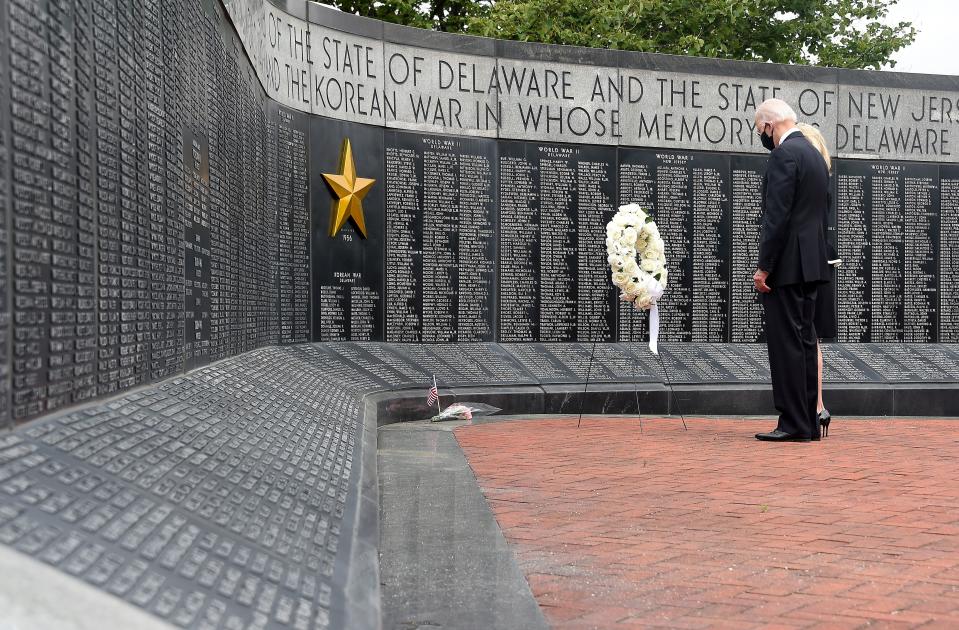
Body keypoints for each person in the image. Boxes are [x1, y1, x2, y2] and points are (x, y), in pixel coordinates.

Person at [752, 100, 831, 442]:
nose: (762, 137)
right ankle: (808, 423)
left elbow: (777, 217)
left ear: (770, 125)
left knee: (787, 345)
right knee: (804, 343)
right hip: (811, 264)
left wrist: (763, 267)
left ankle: (791, 423)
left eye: (760, 131)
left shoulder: (784, 155)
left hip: (786, 267)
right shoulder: (814, 153)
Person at [796, 122, 838, 437]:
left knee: (807, 336)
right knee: (812, 337)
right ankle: (818, 405)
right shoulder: (823, 176)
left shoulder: (808, 178)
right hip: (822, 261)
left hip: (808, 263)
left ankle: (814, 405)